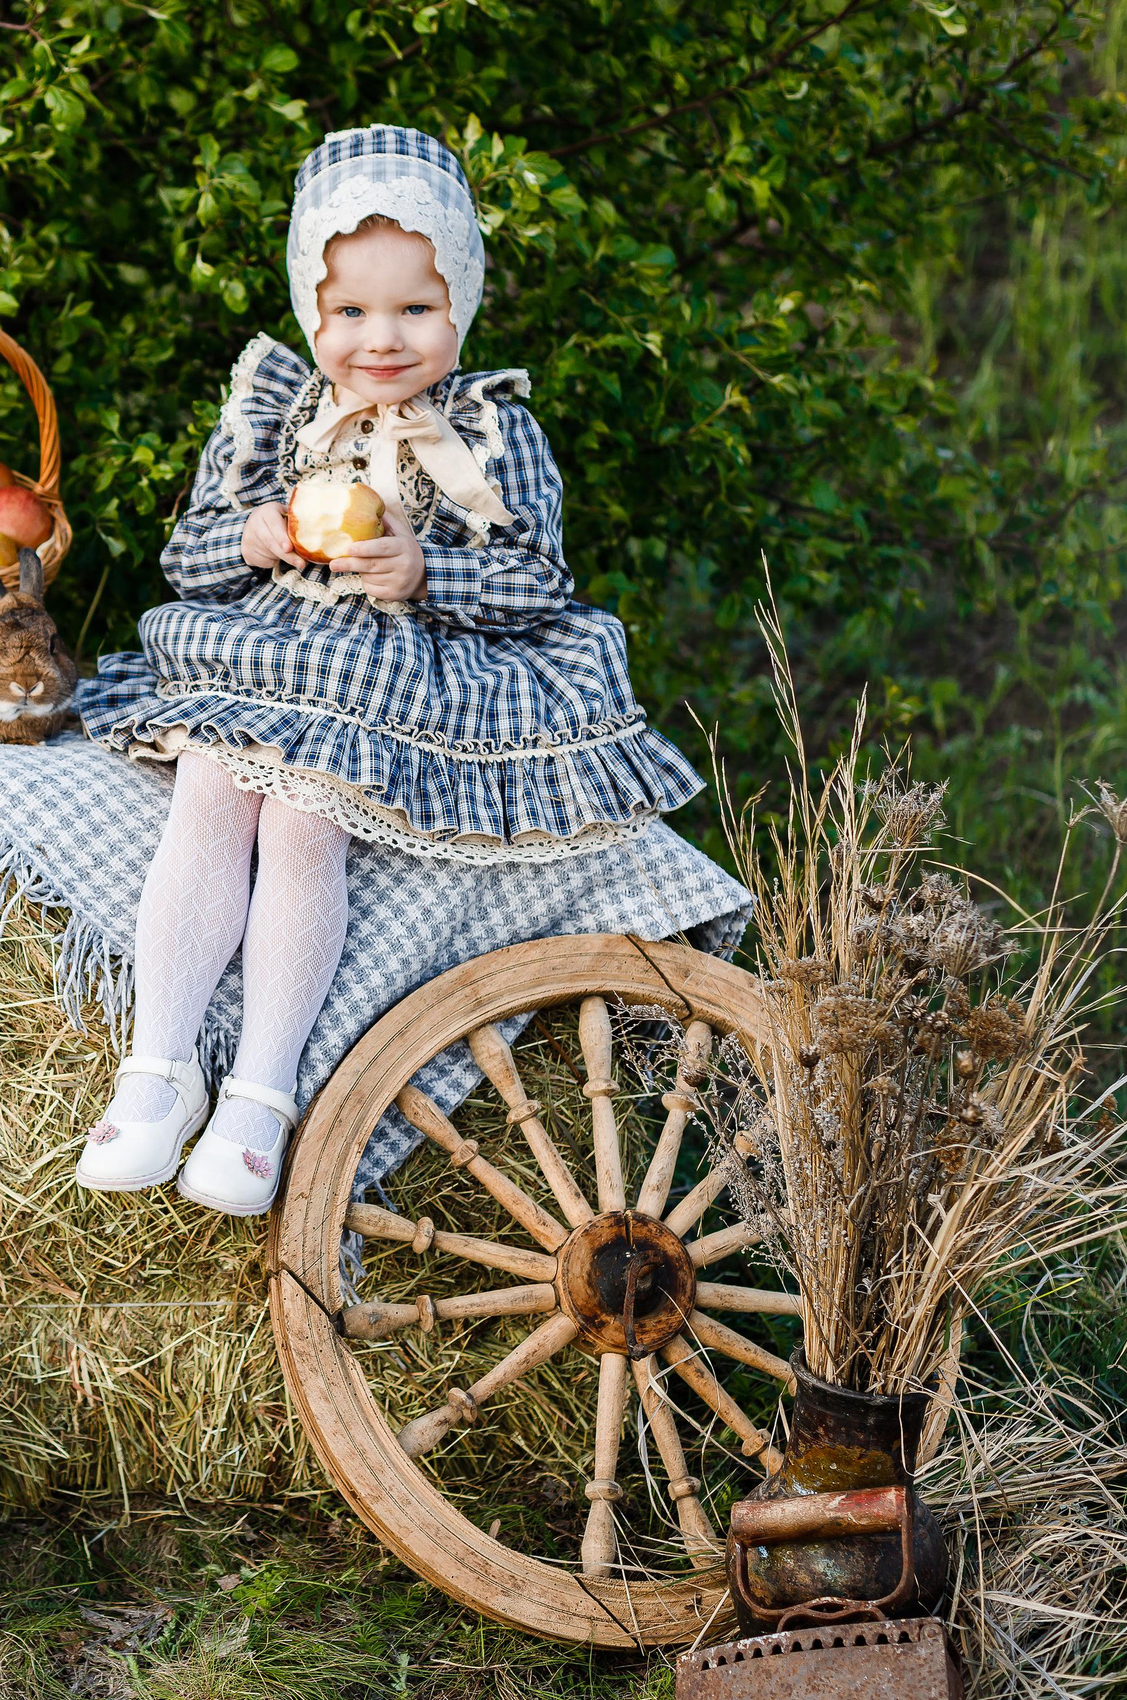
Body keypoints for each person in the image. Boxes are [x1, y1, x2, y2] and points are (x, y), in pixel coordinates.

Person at [74, 125, 705, 1217]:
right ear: (309, 312)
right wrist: (256, 537)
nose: (381, 340)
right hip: (268, 647)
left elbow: (538, 578)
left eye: (415, 309)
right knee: (213, 783)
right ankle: (158, 1067)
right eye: (351, 312)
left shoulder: (490, 430)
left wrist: (423, 568)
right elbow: (186, 563)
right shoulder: (273, 413)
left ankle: (262, 1096)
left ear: (460, 304)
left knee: (302, 815)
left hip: (391, 661)